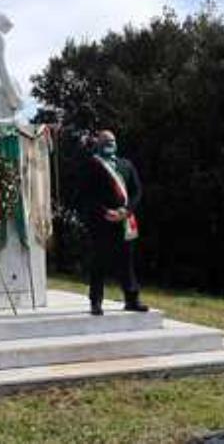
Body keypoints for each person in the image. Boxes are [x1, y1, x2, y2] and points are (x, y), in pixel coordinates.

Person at [81, 130, 150, 316]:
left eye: (112, 140)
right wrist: (106, 212)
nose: (110, 143)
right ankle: (96, 302)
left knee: (126, 262)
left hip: (125, 220)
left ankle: (132, 300)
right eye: (105, 140)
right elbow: (87, 195)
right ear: (98, 143)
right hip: (102, 222)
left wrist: (126, 211)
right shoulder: (92, 165)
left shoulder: (126, 164)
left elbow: (137, 191)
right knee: (99, 262)